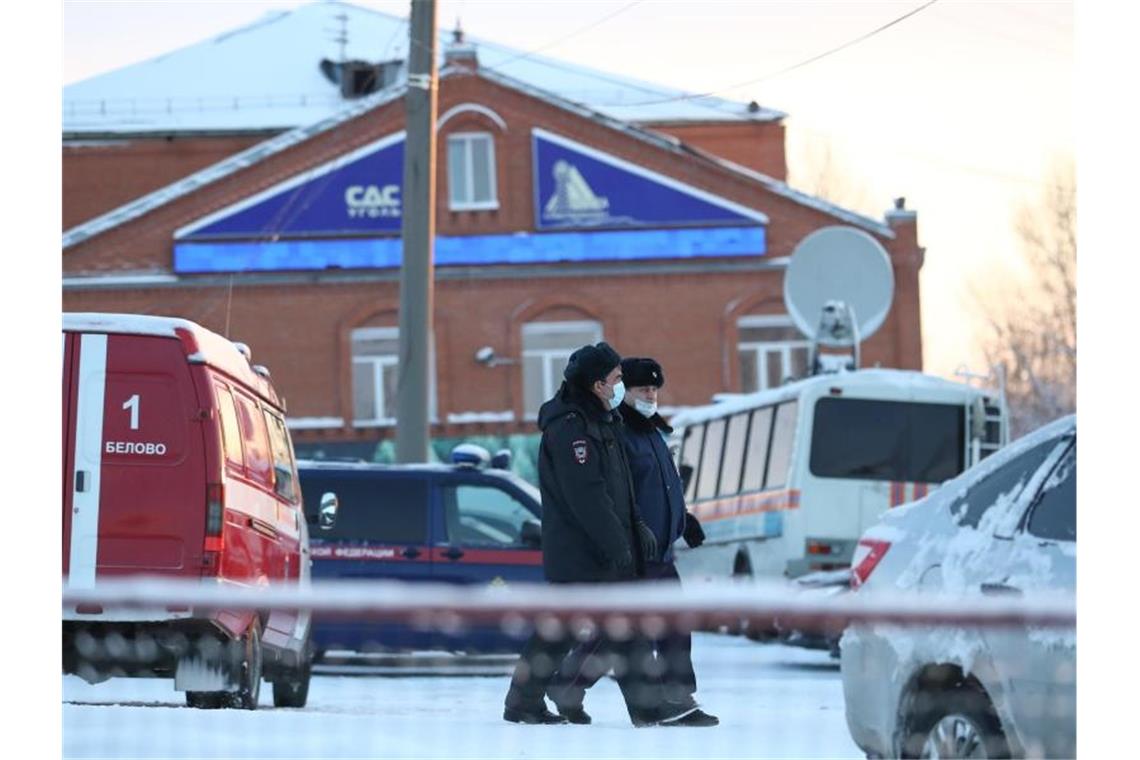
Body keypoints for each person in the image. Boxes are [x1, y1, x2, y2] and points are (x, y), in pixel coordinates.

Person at [502, 342, 697, 727]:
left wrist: (636, 523)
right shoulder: (572, 429)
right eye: (617, 379)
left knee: (566, 632)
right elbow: (587, 496)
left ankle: (523, 702)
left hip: (597, 549)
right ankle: (647, 707)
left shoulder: (600, 422)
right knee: (612, 627)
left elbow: (618, 488)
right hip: (584, 553)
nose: (620, 385)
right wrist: (617, 544)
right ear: (597, 385)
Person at [546, 357, 718, 727]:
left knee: (673, 624)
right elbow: (617, 494)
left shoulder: (654, 431)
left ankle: (678, 694)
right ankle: (568, 685)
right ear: (625, 391)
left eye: (655, 389)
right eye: (643, 389)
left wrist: (683, 518)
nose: (651, 395)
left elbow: (665, 485)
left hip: (662, 551)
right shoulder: (617, 433)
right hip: (635, 552)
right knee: (619, 632)